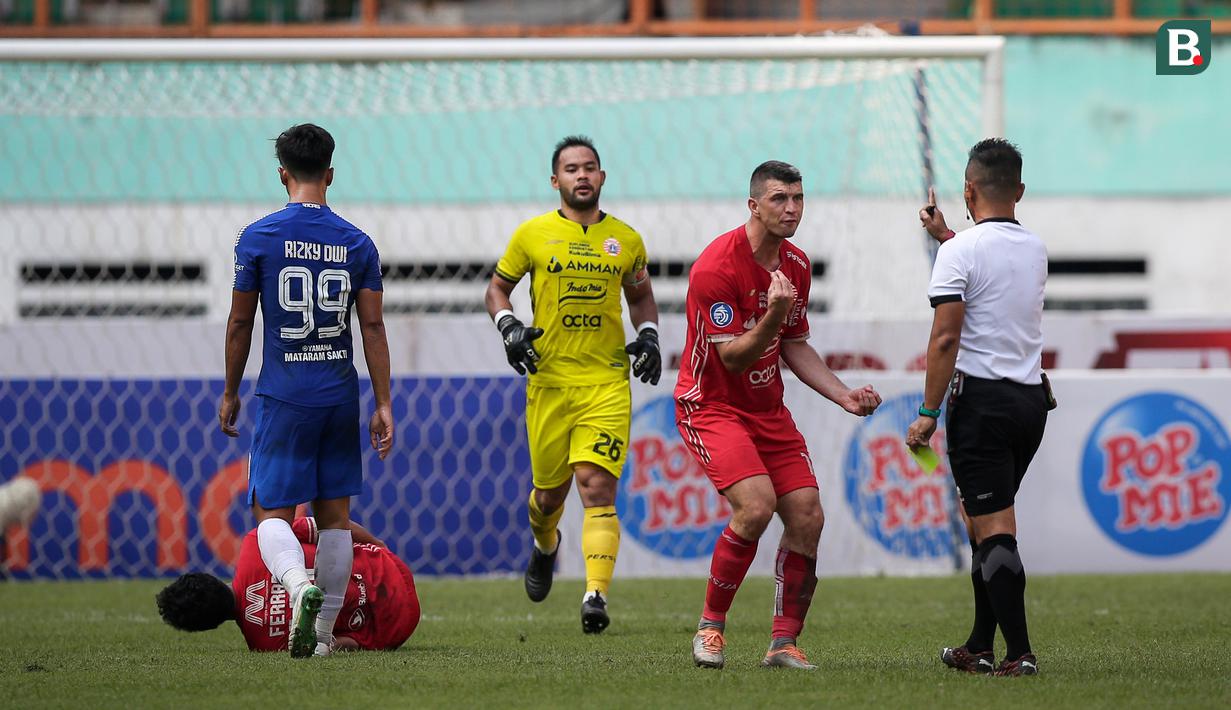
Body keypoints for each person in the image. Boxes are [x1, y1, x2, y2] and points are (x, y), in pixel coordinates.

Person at [676, 161, 882, 670]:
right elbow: (732, 358)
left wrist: (843, 394)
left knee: (808, 515)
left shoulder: (797, 264)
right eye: (778, 199)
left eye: (797, 198)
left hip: (767, 410)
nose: (791, 208)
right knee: (755, 507)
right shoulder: (715, 268)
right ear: (753, 206)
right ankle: (710, 628)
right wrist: (770, 313)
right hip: (711, 406)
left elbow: (794, 344)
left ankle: (783, 643)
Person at [220, 123, 394, 658]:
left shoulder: (258, 237)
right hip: (339, 395)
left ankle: (298, 588)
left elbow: (240, 323)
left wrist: (230, 391)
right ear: (331, 173)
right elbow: (372, 328)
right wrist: (383, 402)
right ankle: (320, 640)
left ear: (282, 174)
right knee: (336, 516)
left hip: (284, 395)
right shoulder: (357, 242)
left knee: (272, 514)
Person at [484, 135, 662, 634]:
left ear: (601, 177)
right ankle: (545, 546)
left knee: (596, 486)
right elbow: (497, 289)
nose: (581, 175)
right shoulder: (532, 235)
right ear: (555, 180)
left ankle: (595, 596)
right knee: (548, 497)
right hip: (549, 383)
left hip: (606, 382)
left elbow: (642, 298)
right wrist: (509, 327)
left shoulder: (625, 240)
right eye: (571, 169)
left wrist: (648, 336)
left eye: (589, 168)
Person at [907, 138, 1048, 677]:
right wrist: (946, 235)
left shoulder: (958, 253)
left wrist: (926, 411)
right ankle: (978, 646)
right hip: (1030, 401)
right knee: (982, 522)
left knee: (994, 530)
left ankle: (1020, 654)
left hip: (982, 403)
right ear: (1020, 190)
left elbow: (945, 339)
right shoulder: (1033, 247)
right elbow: (994, 274)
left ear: (968, 189)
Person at [156, 517, 420, 653]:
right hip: (388, 567)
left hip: (399, 624)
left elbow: (343, 643)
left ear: (207, 627)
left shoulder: (263, 645)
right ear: (208, 576)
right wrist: (380, 545)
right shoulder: (256, 544)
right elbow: (328, 527)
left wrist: (373, 641)